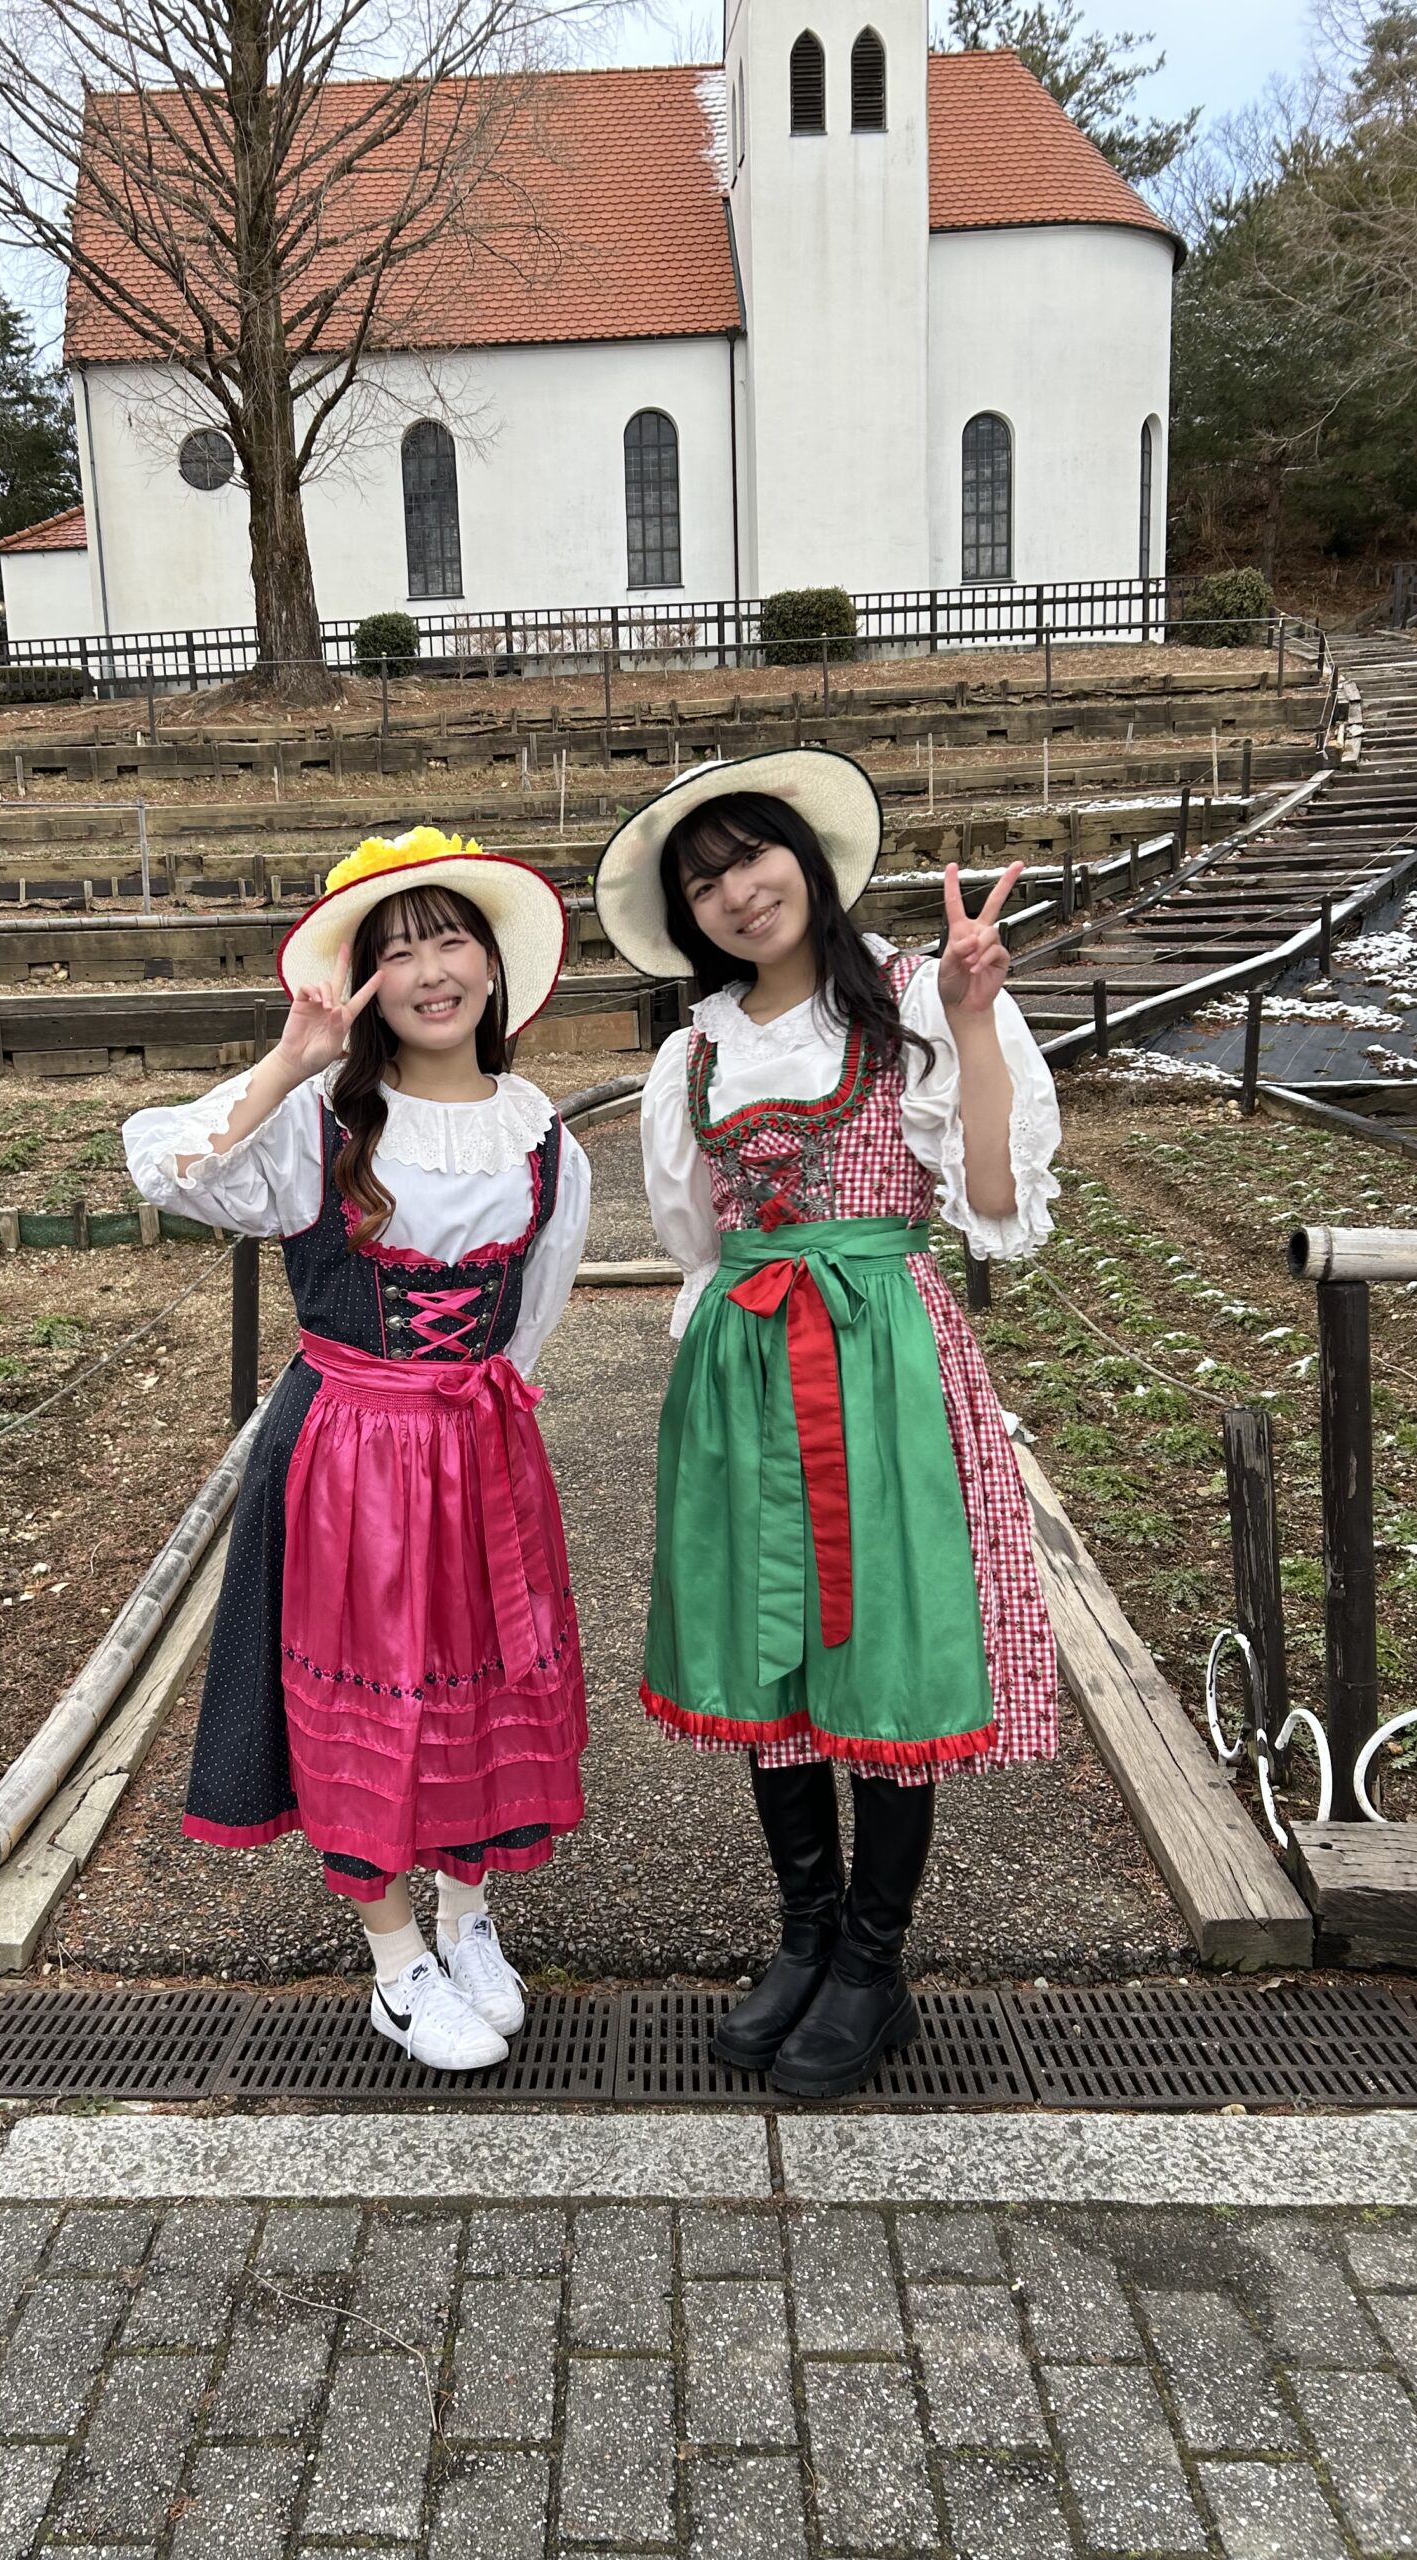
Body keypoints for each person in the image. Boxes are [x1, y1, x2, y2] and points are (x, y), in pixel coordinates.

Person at [594, 750, 1061, 2098]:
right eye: (705, 881)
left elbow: (992, 1203)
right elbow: (698, 1239)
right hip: (742, 1369)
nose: (738, 891)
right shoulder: (691, 1055)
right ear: (687, 918)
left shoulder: (915, 998)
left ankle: (872, 1961)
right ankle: (803, 1936)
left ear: (804, 857)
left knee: (885, 1648)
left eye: (752, 856)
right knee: (766, 1655)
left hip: (882, 1361)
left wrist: (975, 1021)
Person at [124, 828, 591, 2073]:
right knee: (365, 1692)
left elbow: (531, 1316)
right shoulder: (321, 1125)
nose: (431, 971)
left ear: (494, 964)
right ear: (361, 985)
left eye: (451, 940)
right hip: (344, 1455)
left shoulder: (549, 1141)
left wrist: (474, 1425)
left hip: (480, 1452)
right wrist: (287, 1062)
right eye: (397, 953)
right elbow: (163, 1164)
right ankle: (394, 1964)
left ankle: (468, 1918)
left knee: (473, 1684)